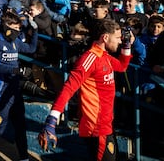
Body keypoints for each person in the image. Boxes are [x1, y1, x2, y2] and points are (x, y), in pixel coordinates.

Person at [38, 18, 134, 161]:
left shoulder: (105, 56)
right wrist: (51, 121)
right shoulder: (89, 59)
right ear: (105, 37)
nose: (120, 41)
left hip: (106, 124)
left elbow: (122, 66)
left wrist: (127, 46)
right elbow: (68, 88)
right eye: (118, 38)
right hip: (96, 126)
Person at [0, 11, 38, 161]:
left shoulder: (15, 41)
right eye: (16, 27)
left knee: (20, 126)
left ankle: (24, 157)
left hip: (15, 90)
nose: (18, 30)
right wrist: (16, 70)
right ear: (6, 26)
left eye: (20, 27)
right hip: (0, 89)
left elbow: (31, 49)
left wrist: (35, 30)